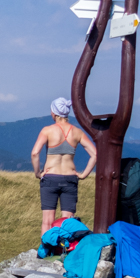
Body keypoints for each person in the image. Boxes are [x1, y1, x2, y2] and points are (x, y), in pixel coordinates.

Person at [30, 97, 97, 238]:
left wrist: (38, 173)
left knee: (48, 220)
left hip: (50, 177)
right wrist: (84, 174)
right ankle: (66, 251)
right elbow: (95, 154)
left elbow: (35, 153)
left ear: (54, 112)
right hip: (70, 178)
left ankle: (47, 251)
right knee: (68, 220)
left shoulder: (47, 130)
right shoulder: (77, 132)